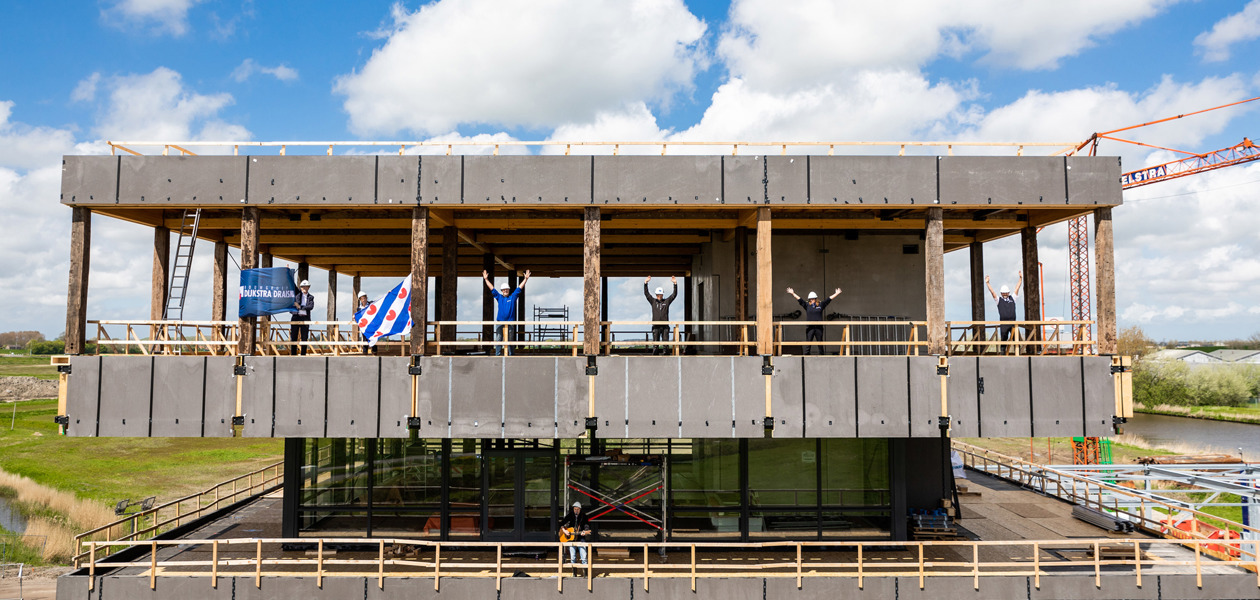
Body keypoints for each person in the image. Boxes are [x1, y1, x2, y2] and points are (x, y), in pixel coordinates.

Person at [483, 269, 531, 355]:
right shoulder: (499, 297)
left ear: (509, 290)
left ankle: (511, 355)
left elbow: (519, 288)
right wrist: (486, 279)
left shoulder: (512, 297)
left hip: (510, 323)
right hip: (500, 322)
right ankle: (497, 355)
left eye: (507, 289)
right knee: (499, 339)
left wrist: (526, 279)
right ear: (502, 291)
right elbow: (492, 288)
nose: (506, 291)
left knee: (510, 340)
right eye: (504, 290)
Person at [786, 286, 842, 355]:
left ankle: (821, 355)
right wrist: (793, 293)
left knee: (820, 343)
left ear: (815, 299)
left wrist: (836, 294)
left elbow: (828, 299)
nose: (811, 300)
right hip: (810, 327)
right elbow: (800, 300)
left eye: (812, 299)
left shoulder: (821, 304)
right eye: (810, 299)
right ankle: (806, 355)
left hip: (819, 328)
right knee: (808, 342)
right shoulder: (807, 305)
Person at [985, 271, 1023, 353]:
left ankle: (1018, 353)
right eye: (1003, 293)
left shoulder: (1013, 298)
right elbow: (993, 293)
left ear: (1008, 292)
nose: (1005, 294)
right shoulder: (999, 300)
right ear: (1001, 293)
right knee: (1003, 339)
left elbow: (1017, 288)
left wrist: (1020, 278)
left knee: (1016, 338)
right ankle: (1003, 353)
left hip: (1013, 322)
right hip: (1004, 323)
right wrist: (988, 283)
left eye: (1006, 292)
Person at [643, 276, 678, 355]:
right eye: (658, 294)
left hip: (665, 325)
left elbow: (674, 295)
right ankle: (655, 353)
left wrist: (675, 284)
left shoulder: (666, 301)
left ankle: (666, 353)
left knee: (665, 342)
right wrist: (645, 283)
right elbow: (646, 294)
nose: (659, 295)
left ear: (662, 294)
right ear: (656, 294)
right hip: (656, 325)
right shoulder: (653, 301)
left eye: (661, 294)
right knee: (656, 342)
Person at [557, 501, 592, 572]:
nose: (576, 511)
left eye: (577, 509)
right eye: (575, 509)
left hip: (580, 538)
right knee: (572, 557)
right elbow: (561, 523)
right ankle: (574, 573)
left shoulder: (584, 516)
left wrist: (585, 532)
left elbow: (587, 526)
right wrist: (564, 530)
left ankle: (585, 573)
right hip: (571, 539)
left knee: (584, 557)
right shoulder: (570, 515)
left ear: (580, 509)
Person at [290, 279, 314, 356]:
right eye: (303, 287)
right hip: (296, 317)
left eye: (306, 287)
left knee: (304, 337)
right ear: (300, 287)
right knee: (293, 336)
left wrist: (300, 307)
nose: (304, 288)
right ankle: (293, 354)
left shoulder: (311, 297)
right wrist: (288, 273)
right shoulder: (297, 294)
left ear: (309, 287)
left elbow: (310, 307)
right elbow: (292, 285)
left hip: (305, 318)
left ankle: (303, 354)